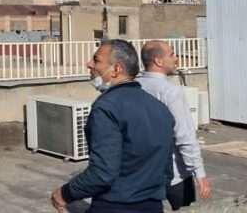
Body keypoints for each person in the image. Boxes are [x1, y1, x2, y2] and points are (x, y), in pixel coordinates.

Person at [51, 39, 175, 213]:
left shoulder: (107, 107)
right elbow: (167, 170)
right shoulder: (160, 109)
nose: (89, 64)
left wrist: (65, 193)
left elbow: (102, 173)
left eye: (96, 60)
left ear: (116, 69)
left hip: (115, 206)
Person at [139, 40, 212, 210]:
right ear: (158, 61)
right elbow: (184, 135)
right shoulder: (170, 91)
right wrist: (199, 173)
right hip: (175, 173)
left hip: (143, 172)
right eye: (172, 54)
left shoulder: (136, 86)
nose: (176, 58)